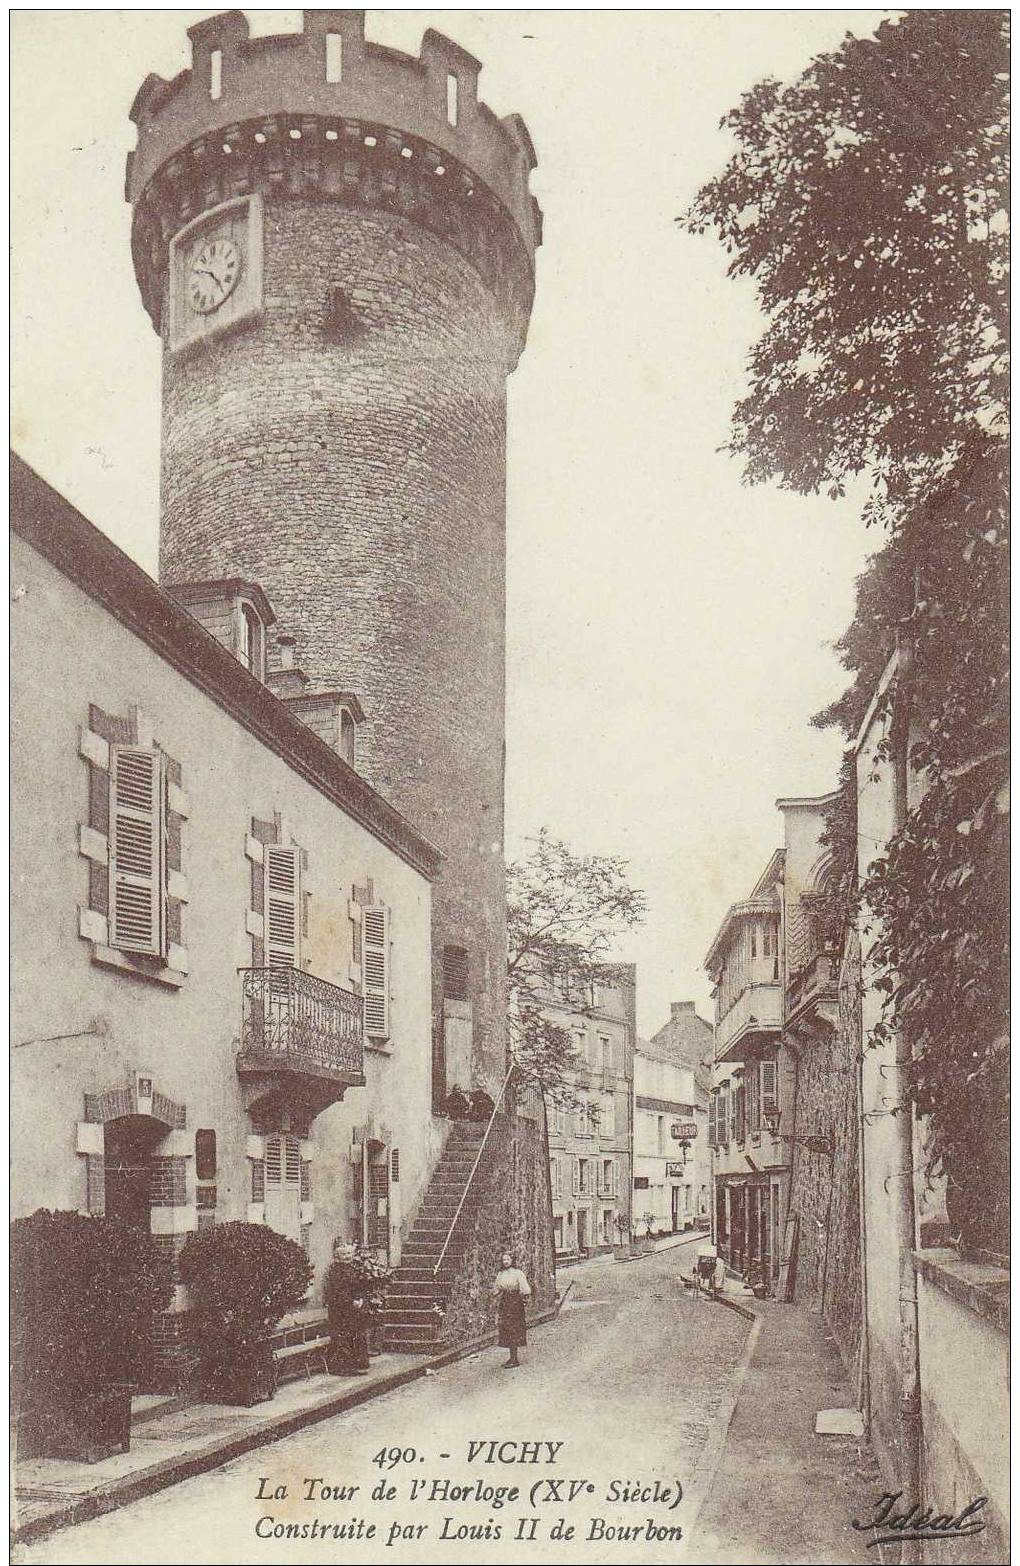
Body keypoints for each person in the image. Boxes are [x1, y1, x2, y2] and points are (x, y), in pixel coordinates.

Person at [492, 1251, 531, 1369]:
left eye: (508, 1259)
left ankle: (515, 1359)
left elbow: (525, 1289)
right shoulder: (501, 1274)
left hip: (515, 1302)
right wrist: (493, 1295)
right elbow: (497, 1288)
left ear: (512, 1260)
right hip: (505, 1301)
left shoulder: (517, 1273)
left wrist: (524, 1298)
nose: (505, 1262)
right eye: (504, 1260)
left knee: (513, 1328)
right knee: (506, 1328)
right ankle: (511, 1357)